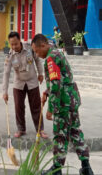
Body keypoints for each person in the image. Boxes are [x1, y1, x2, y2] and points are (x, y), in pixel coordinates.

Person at [31, 34, 94, 175]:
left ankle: (57, 169)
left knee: (60, 136)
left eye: (36, 51)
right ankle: (86, 167)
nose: (37, 54)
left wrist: (51, 109)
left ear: (43, 45)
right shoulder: (57, 51)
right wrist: (47, 91)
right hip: (72, 100)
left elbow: (56, 86)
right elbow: (63, 78)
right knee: (75, 132)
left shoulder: (51, 58)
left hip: (62, 104)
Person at [2, 31, 48, 139]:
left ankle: (40, 129)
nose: (14, 46)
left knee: (36, 107)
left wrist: (41, 73)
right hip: (18, 84)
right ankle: (21, 129)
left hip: (32, 82)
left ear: (20, 41)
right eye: (11, 44)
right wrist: (5, 92)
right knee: (19, 107)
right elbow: (6, 73)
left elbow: (37, 61)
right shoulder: (10, 56)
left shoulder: (29, 49)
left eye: (16, 44)